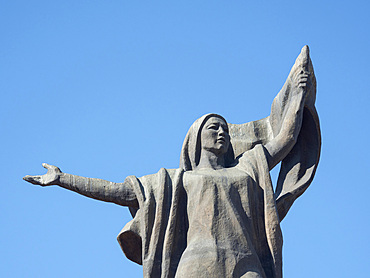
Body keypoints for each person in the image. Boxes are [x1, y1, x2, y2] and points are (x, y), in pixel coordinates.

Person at [24, 46, 320, 278]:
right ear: (194, 139)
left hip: (247, 263)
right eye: (213, 127)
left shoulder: (248, 166)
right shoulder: (175, 181)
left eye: (225, 129)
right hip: (196, 265)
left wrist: (297, 93)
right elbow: (118, 191)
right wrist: (63, 178)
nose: (221, 132)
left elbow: (286, 139)